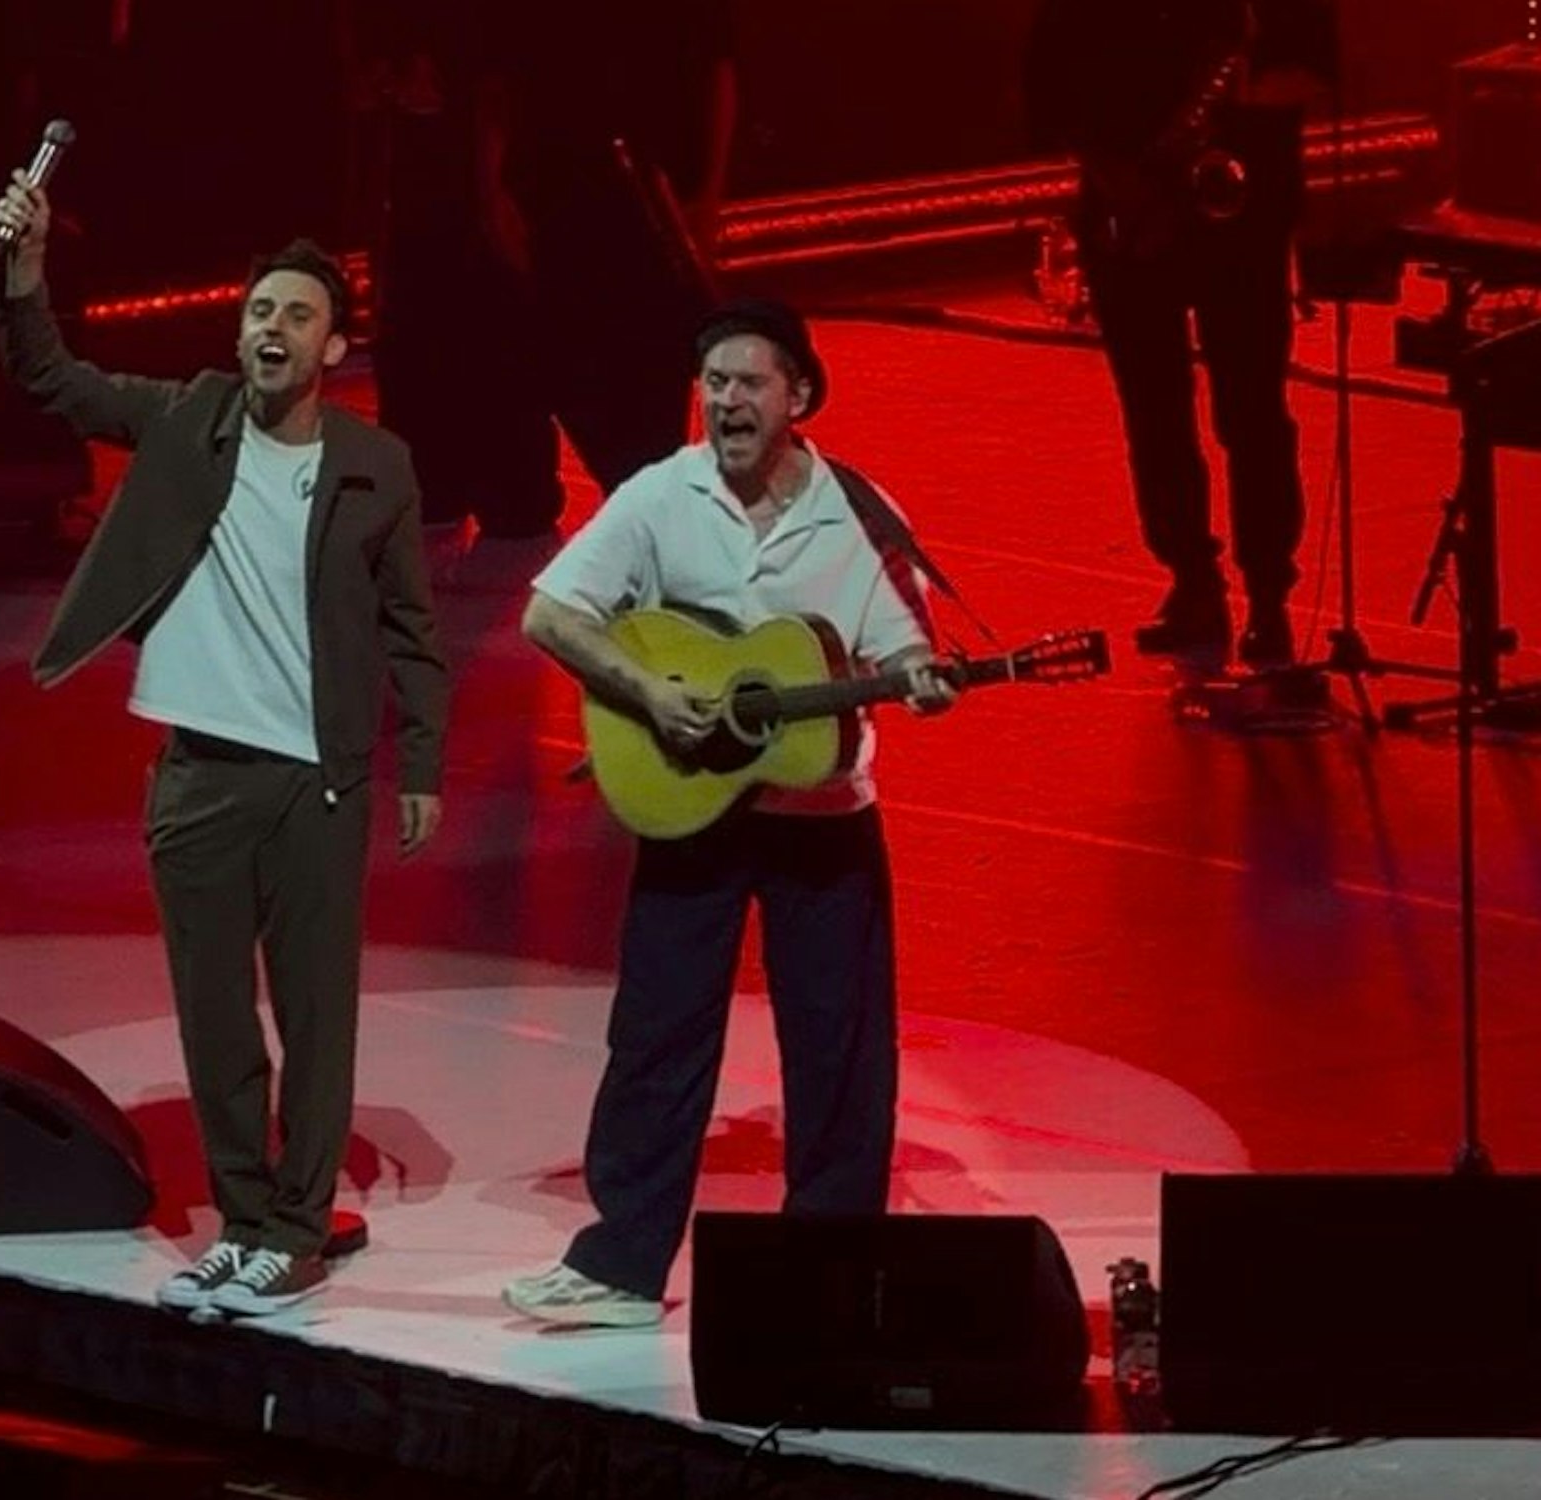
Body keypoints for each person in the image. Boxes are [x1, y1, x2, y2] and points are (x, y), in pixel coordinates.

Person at [0, 172, 449, 1316]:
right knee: (211, 1015)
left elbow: (409, 625)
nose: (268, 330)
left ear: (334, 345)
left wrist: (424, 765)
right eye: (256, 312)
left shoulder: (373, 465)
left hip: (313, 782)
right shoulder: (188, 415)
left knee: (313, 1013)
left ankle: (295, 1228)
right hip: (196, 773)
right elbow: (53, 377)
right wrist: (25, 269)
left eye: (295, 314)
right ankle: (247, 1219)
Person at [503, 299, 958, 1326]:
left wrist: (920, 678)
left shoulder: (855, 507)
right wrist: (648, 692)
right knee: (656, 1035)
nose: (724, 401)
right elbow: (548, 610)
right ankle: (619, 1265)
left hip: (822, 812)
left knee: (836, 1047)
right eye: (712, 383)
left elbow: (903, 647)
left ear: (796, 394)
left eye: (746, 383)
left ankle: (827, 1275)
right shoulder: (661, 494)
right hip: (693, 808)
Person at [1026, 0, 1337, 667]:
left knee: (1250, 409)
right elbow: (1047, 74)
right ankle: (1193, 579)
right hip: (1128, 203)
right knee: (1154, 408)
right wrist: (1118, 174)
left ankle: (1267, 596)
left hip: (1240, 210)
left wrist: (1243, 95)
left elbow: (1313, 66)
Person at [357, 0, 736, 543]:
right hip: (548, 179)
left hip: (602, 187)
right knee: (514, 488)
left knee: (628, 444)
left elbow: (714, 60)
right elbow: (492, 73)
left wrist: (705, 195)